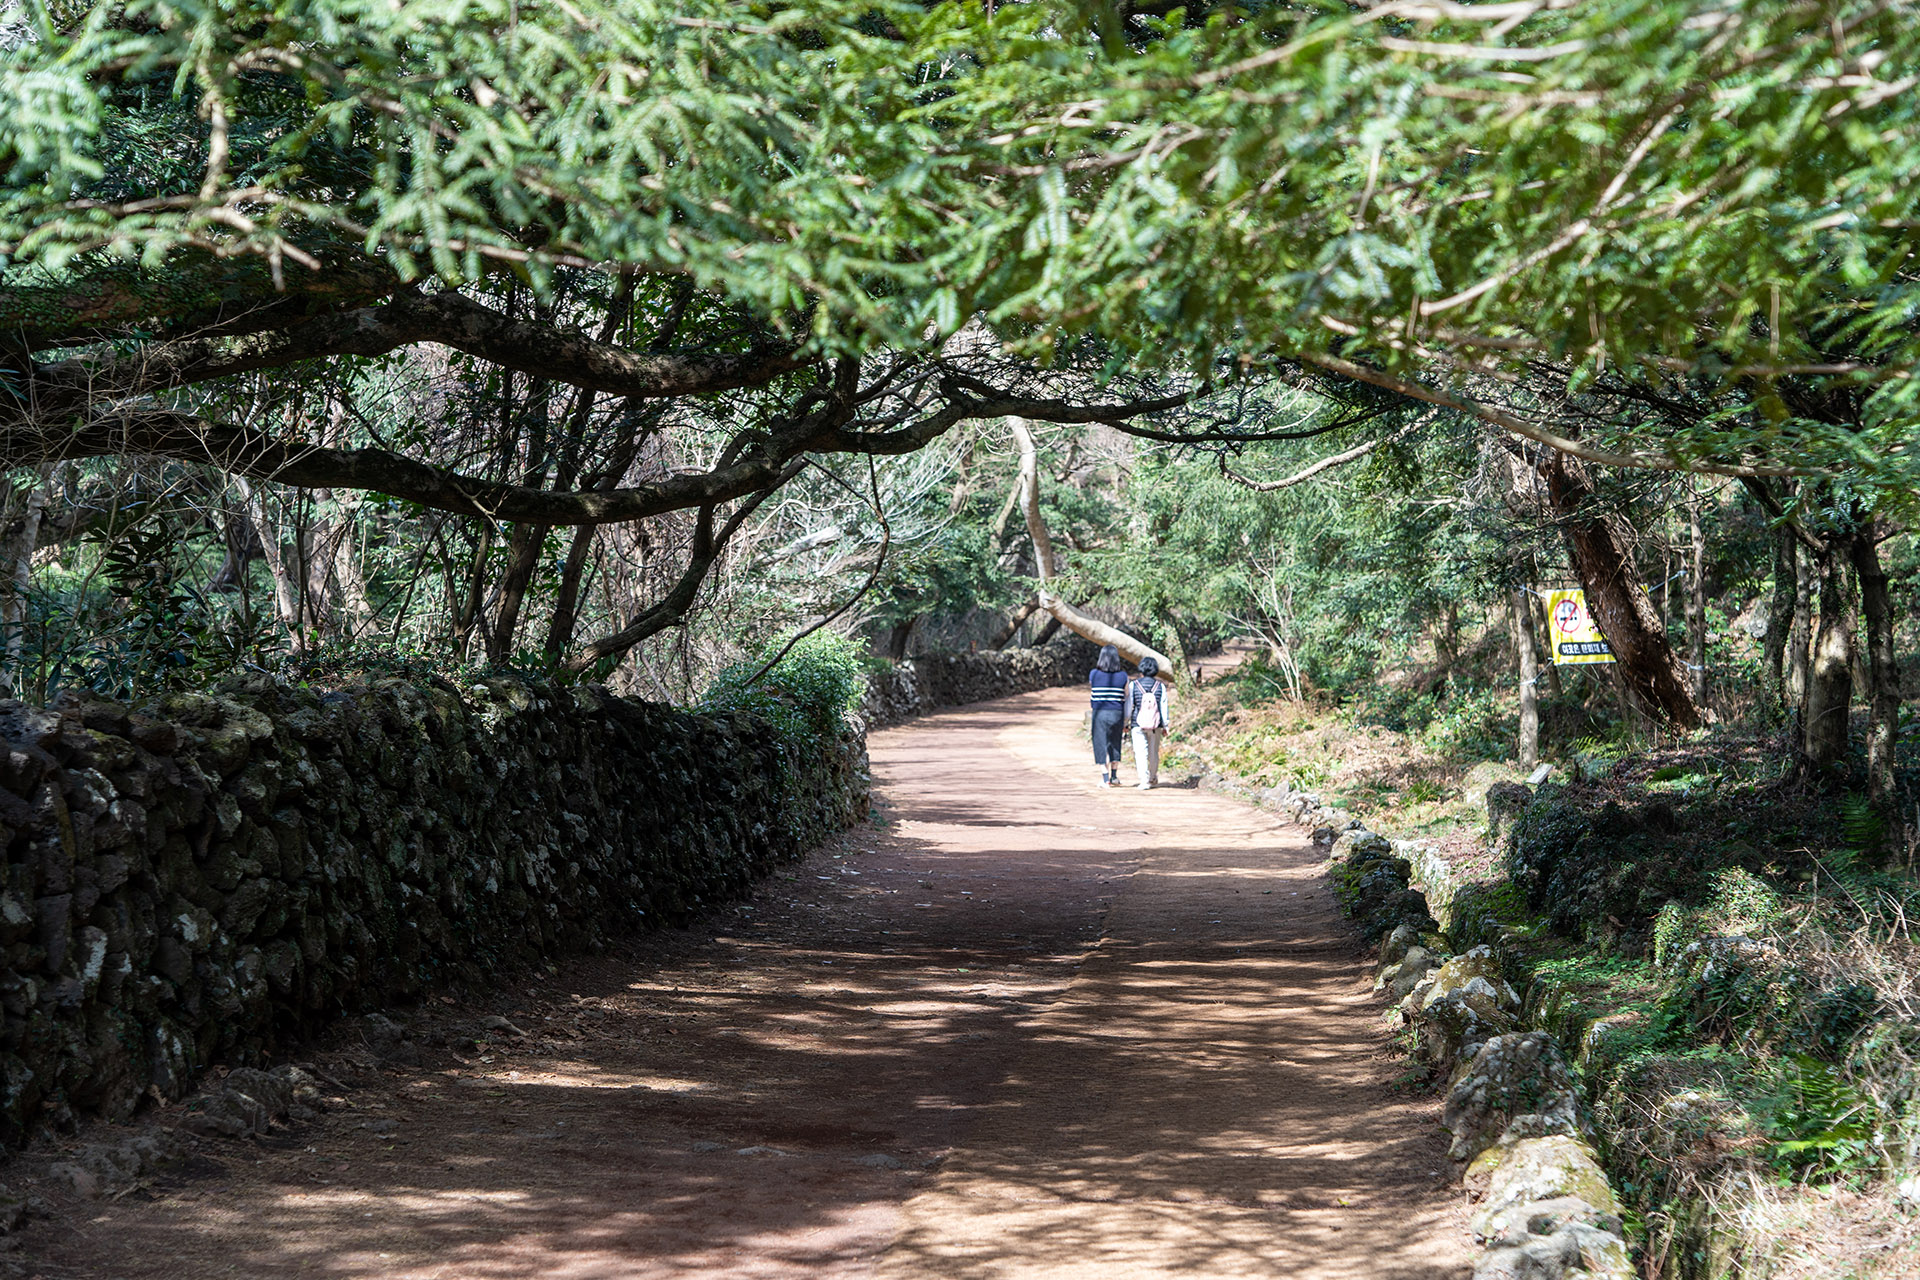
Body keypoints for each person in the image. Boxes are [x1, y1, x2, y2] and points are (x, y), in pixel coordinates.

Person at [1126, 656, 1172, 789]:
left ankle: (1144, 780)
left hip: (1138, 724)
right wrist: (1165, 725)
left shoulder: (1134, 685)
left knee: (1140, 752)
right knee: (1153, 752)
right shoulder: (1160, 686)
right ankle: (1152, 777)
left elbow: (1129, 706)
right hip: (1155, 725)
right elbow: (1163, 707)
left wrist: (1125, 722)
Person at [1088, 643, 1128, 786]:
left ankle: (1105, 778)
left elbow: (1093, 688)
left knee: (1100, 743)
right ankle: (1114, 777)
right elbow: (1126, 695)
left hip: (1099, 713)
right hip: (1117, 713)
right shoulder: (1123, 676)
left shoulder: (1094, 674)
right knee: (1115, 742)